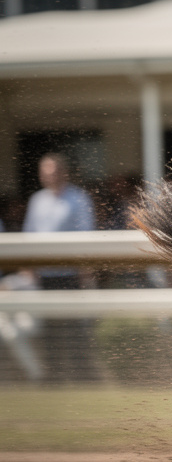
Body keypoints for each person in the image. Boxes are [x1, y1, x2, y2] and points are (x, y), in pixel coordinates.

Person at [22, 153, 98, 382]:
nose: (48, 175)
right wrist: (29, 267)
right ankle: (54, 378)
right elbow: (29, 234)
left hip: (71, 274)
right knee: (50, 328)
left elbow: (87, 233)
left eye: (53, 170)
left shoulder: (79, 198)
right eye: (44, 170)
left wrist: (85, 267)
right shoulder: (37, 200)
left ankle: (81, 378)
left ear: (63, 172)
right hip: (45, 274)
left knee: (75, 327)